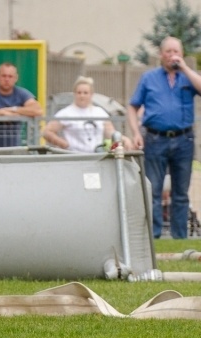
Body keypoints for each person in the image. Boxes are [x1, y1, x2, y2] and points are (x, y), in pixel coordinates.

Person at [127, 36, 201, 239]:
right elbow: (133, 107)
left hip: (184, 140)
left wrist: (185, 68)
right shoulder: (148, 78)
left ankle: (179, 237)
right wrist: (135, 133)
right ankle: (154, 236)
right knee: (153, 190)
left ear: (182, 54)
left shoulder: (188, 77)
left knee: (181, 193)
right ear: (161, 54)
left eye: (176, 51)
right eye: (168, 51)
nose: (172, 55)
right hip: (155, 139)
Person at [43, 76, 132, 152]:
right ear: (74, 94)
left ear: (91, 94)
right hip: (73, 157)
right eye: (79, 93)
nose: (82, 96)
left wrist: (123, 139)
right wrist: (64, 144)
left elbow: (110, 133)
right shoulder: (65, 113)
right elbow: (47, 132)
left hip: (97, 157)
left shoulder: (99, 112)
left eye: (85, 93)